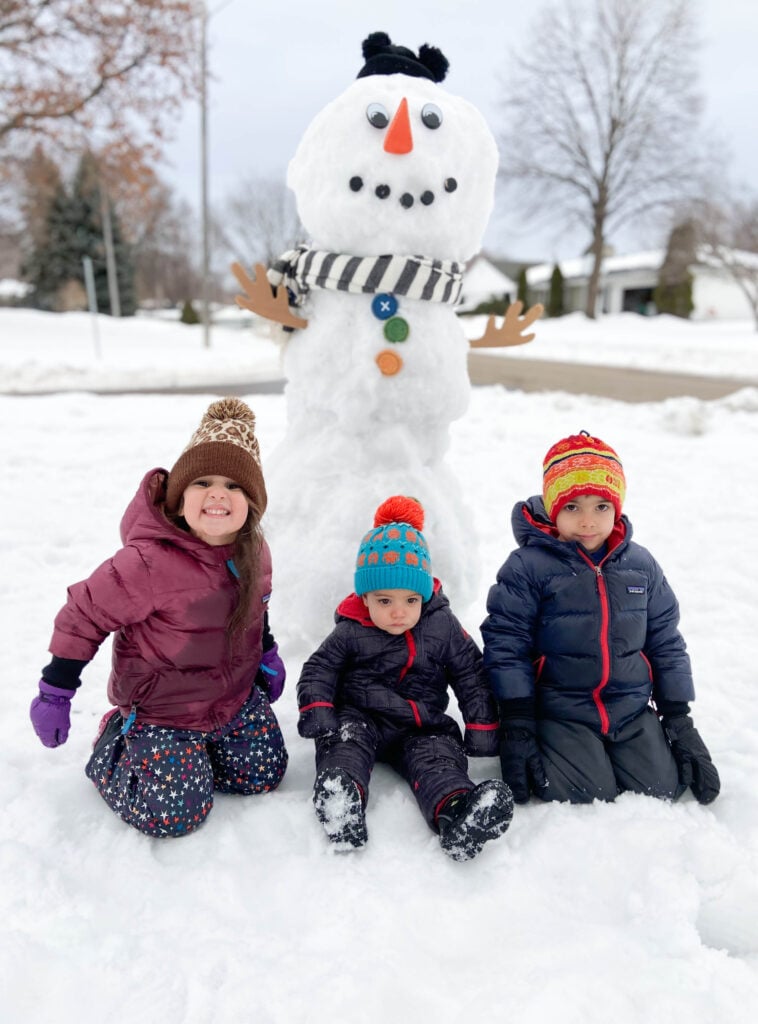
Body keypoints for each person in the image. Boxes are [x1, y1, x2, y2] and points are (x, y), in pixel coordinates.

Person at [30, 398, 288, 837]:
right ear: (180, 494)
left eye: (234, 485)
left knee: (263, 774)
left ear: (252, 502)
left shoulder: (254, 552)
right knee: (174, 815)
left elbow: (255, 609)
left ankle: (197, 754)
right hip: (164, 710)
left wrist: (267, 652)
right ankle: (114, 749)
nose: (218, 494)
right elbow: (82, 614)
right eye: (202, 481)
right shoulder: (147, 563)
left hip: (231, 698)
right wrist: (56, 691)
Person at [481, 431, 720, 807]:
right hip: (562, 709)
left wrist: (678, 717)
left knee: (660, 790)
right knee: (587, 793)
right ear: (552, 507)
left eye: (601, 507)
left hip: (629, 708)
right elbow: (506, 645)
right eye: (573, 507)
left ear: (617, 508)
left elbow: (665, 640)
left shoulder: (640, 566)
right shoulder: (528, 567)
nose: (588, 521)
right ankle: (565, 751)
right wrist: (517, 720)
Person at [296, 495, 513, 861]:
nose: (398, 612)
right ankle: (341, 800)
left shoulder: (441, 626)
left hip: (421, 724)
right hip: (360, 717)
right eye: (384, 601)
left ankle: (458, 813)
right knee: (345, 746)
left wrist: (482, 725)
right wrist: (318, 709)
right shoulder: (351, 630)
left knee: (438, 759)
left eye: (411, 600)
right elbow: (320, 668)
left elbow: (470, 673)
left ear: (425, 594)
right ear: (364, 598)